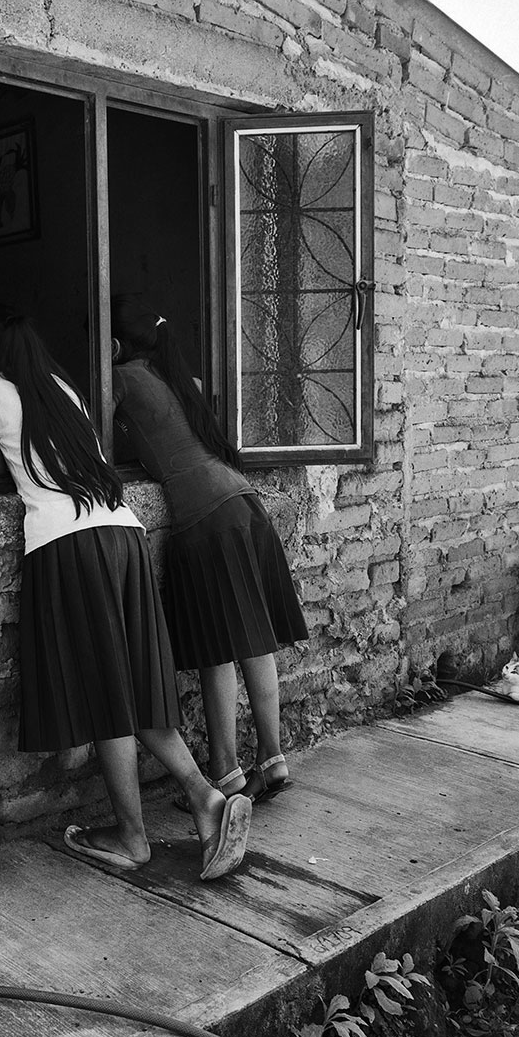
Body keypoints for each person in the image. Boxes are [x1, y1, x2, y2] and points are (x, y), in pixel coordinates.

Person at [0, 308, 251, 880]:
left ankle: (133, 836)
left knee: (107, 691)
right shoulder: (65, 388)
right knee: (128, 684)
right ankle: (207, 799)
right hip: (123, 531)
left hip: (66, 542)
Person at [110, 294, 308, 805]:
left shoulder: (122, 380)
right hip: (243, 503)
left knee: (218, 647)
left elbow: (95, 440)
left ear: (112, 344)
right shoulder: (186, 381)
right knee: (251, 640)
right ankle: (272, 757)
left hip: (204, 516)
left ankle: (225, 773)